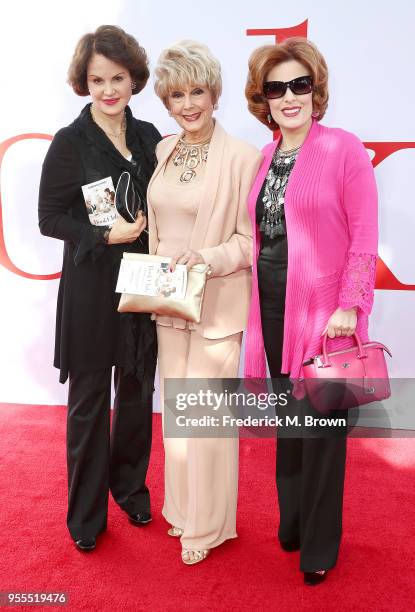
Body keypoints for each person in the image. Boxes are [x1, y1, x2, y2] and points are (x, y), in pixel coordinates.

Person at [244, 37, 378, 585]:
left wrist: (350, 304)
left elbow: (365, 232)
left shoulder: (343, 147)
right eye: (277, 88)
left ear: (315, 90)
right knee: (289, 423)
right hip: (271, 305)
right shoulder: (266, 156)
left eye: (300, 84)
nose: (289, 96)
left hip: (325, 313)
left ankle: (321, 544)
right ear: (265, 100)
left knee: (322, 430)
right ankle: (293, 520)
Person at [38, 25, 161, 552]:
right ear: (83, 83)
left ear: (134, 79)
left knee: (136, 394)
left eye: (117, 78)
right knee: (88, 403)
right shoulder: (70, 142)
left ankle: (130, 489)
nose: (108, 89)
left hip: (143, 286)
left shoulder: (151, 137)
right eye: (96, 80)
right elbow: (48, 217)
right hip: (91, 291)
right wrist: (101, 233)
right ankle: (86, 516)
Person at [148, 40, 262, 565]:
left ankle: (208, 528)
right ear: (165, 102)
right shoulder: (164, 150)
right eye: (176, 94)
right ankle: (182, 511)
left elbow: (249, 241)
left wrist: (207, 258)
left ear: (214, 93)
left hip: (216, 304)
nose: (188, 103)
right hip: (168, 303)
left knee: (208, 422)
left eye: (196, 90)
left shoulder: (242, 156)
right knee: (177, 419)